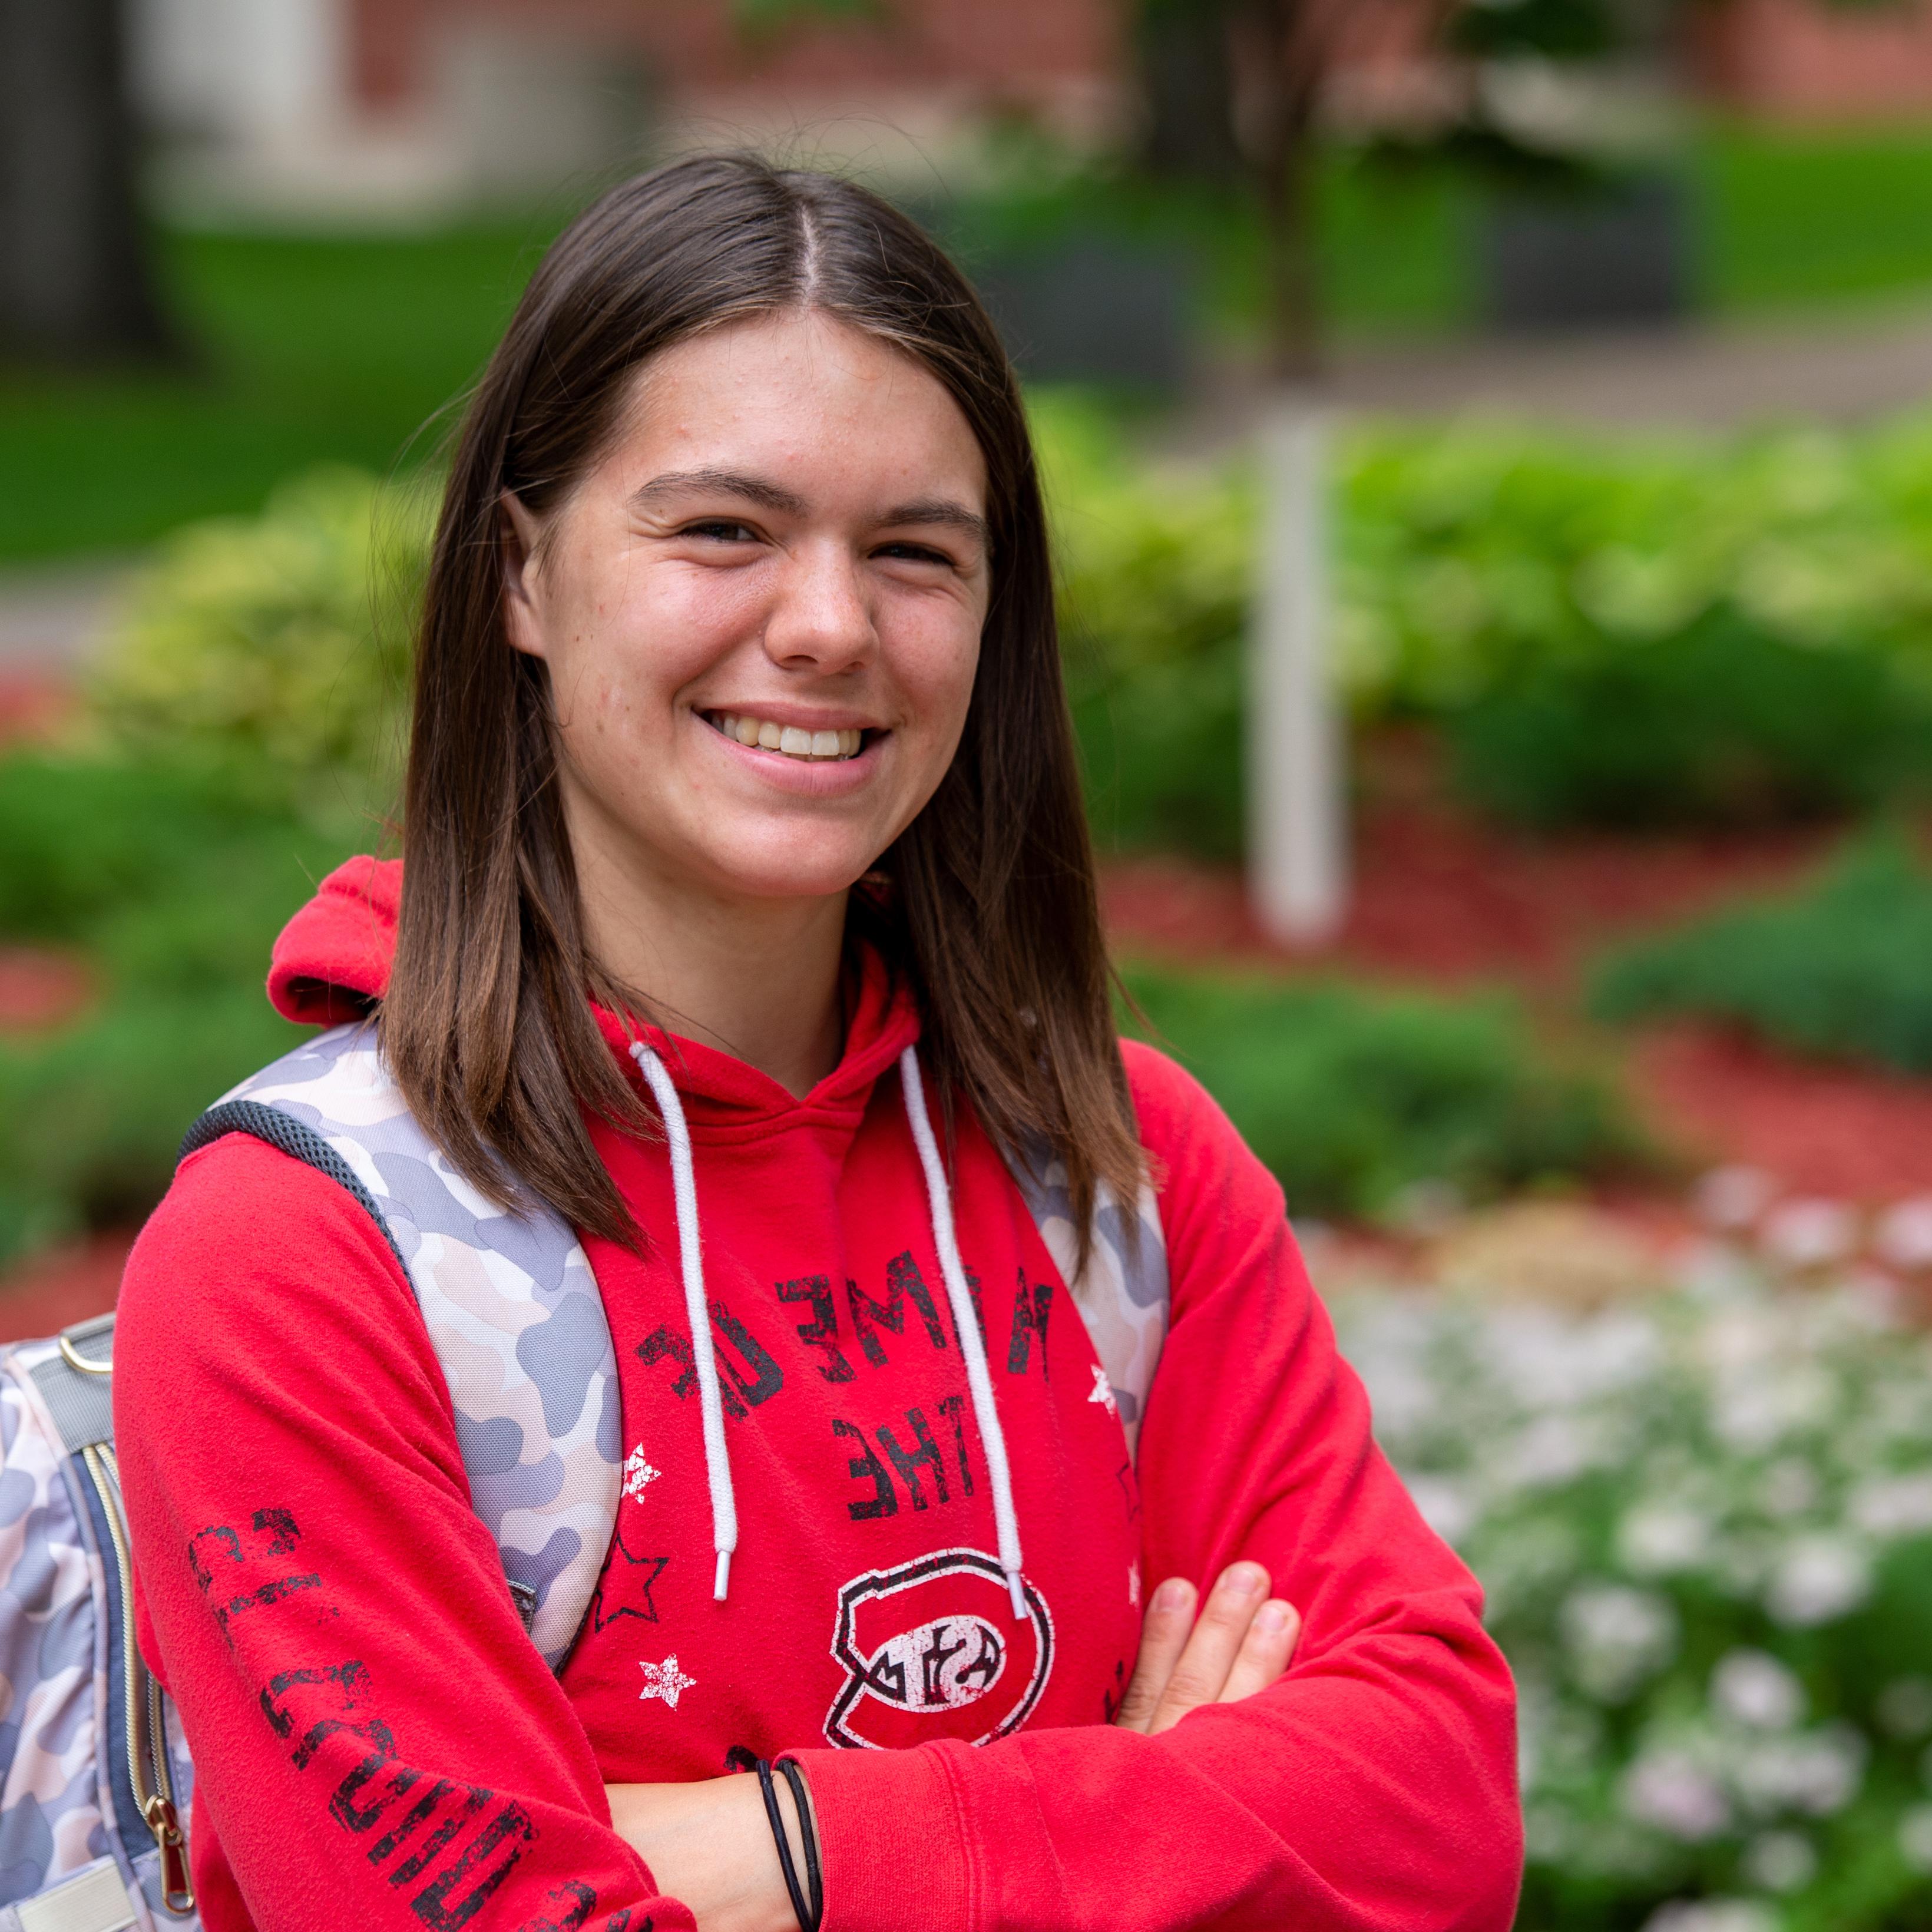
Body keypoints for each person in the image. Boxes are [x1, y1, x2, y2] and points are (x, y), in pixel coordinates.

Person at [115, 155, 1521, 1932]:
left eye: (916, 553)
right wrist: (1161, 1816)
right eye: (724, 530)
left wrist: (785, 1851)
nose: (831, 626)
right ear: (522, 579)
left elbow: (1443, 1808)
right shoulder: (308, 1265)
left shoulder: (1124, 1171)